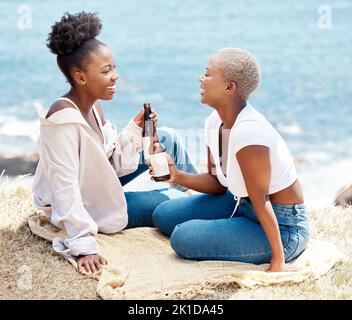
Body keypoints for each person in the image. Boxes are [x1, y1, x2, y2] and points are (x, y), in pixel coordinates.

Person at [32, 12, 198, 274]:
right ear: (81, 77)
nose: (115, 76)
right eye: (106, 70)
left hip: (99, 183)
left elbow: (109, 163)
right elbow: (65, 186)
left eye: (114, 67)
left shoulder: (94, 106)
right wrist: (84, 245)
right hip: (90, 203)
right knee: (170, 197)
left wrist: (136, 127)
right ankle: (202, 207)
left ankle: (204, 196)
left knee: (167, 136)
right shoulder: (61, 121)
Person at [151, 48, 310, 272]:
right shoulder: (214, 122)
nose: (200, 78)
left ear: (229, 87)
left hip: (282, 227)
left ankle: (277, 249)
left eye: (207, 74)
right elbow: (217, 183)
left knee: (182, 237)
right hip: (238, 202)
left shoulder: (249, 133)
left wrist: (278, 259)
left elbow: (261, 200)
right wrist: (176, 175)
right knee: (164, 215)